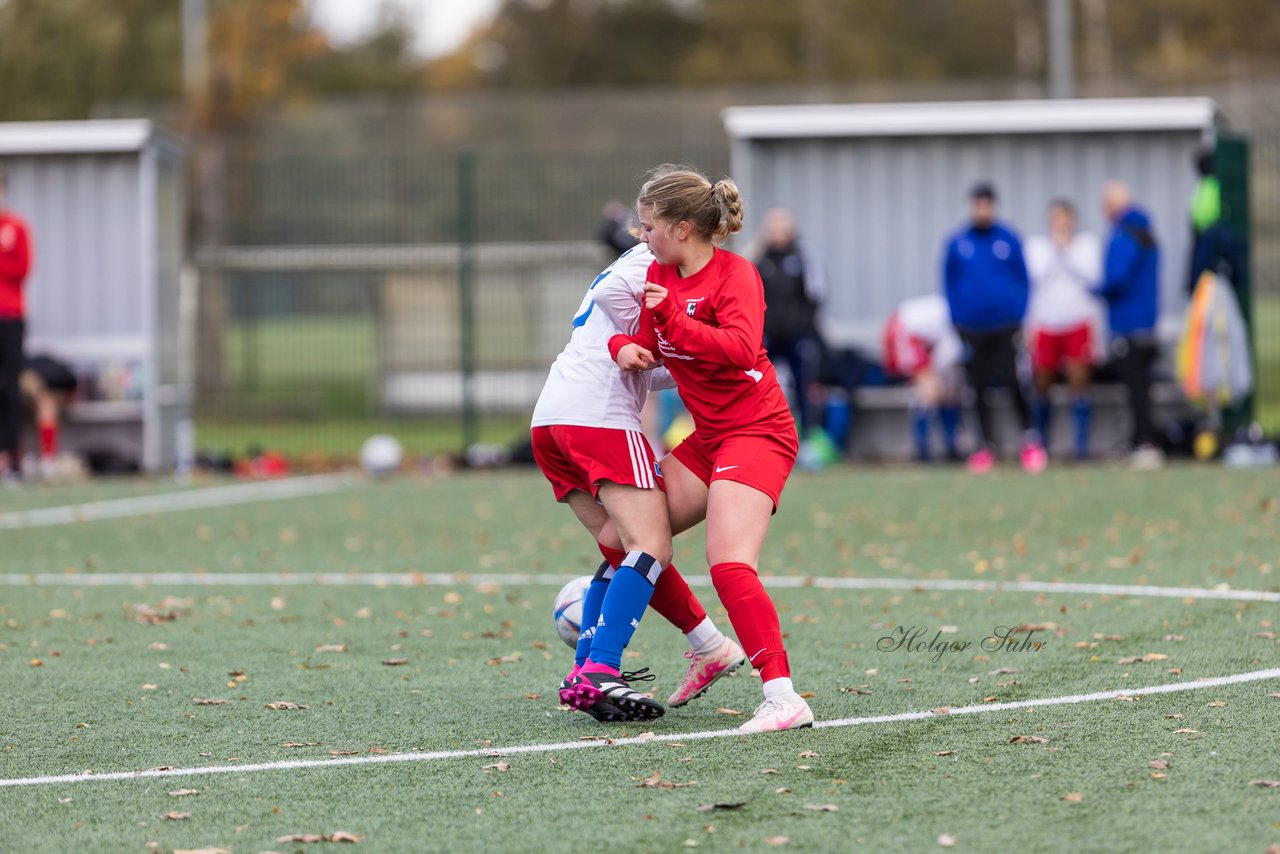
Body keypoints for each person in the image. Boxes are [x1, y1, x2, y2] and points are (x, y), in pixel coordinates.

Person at [608, 166, 813, 734]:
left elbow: (743, 349)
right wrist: (623, 344)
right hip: (711, 436)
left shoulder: (736, 274)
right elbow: (652, 341)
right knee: (619, 538)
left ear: (680, 228)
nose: (640, 236)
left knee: (727, 564)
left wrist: (672, 316)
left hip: (759, 430)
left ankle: (783, 698)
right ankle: (706, 646)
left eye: (648, 226)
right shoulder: (659, 272)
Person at [531, 242, 747, 723]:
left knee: (622, 545)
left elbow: (650, 364)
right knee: (651, 544)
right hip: (598, 416)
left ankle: (587, 667)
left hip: (552, 415)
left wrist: (689, 357)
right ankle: (602, 667)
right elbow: (614, 294)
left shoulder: (650, 264)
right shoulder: (655, 262)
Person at [942, 182, 1045, 474]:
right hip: (972, 328)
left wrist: (1018, 315)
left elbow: (1023, 281)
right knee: (977, 388)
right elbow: (949, 283)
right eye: (978, 204)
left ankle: (1030, 442)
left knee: (1013, 382)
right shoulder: (958, 242)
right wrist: (957, 318)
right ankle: (985, 447)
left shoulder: (1008, 239)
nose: (982, 209)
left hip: (1004, 326)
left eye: (987, 204)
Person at [1023, 199, 1103, 461]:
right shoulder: (1036, 247)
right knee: (1042, 380)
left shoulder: (1087, 245)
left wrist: (1067, 251)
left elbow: (1093, 278)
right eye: (1056, 219)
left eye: (1065, 219)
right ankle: (1041, 443)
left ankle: (1081, 446)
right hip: (1045, 321)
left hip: (1077, 319)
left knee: (1079, 379)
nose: (1061, 225)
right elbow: (1034, 279)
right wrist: (1055, 251)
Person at [748, 208, 828, 459]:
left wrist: (803, 327)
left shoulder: (804, 255)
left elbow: (816, 295)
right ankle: (757, 440)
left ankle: (808, 443)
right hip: (766, 337)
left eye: (783, 223)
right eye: (773, 224)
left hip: (798, 336)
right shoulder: (758, 257)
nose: (778, 229)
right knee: (758, 387)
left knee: (805, 386)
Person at [1096, 181, 1162, 467]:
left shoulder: (1124, 235)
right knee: (1140, 386)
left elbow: (1117, 278)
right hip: (1147, 322)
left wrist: (1094, 289)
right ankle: (1141, 439)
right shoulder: (1146, 232)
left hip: (1129, 324)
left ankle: (1144, 442)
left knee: (1135, 387)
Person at [882, 294, 964, 462]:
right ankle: (923, 447)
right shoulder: (958, 324)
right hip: (902, 331)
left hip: (910, 332)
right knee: (931, 389)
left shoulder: (958, 313)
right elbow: (944, 361)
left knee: (946, 389)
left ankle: (948, 444)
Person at [0, 170, 33, 485]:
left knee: (10, 388)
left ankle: (13, 459)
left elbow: (21, 268)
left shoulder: (16, 227)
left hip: (10, 317)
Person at [20, 354, 78, 476]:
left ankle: (48, 460)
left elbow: (72, 384)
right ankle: (17, 458)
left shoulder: (53, 377)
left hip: (62, 393)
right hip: (28, 389)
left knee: (46, 404)